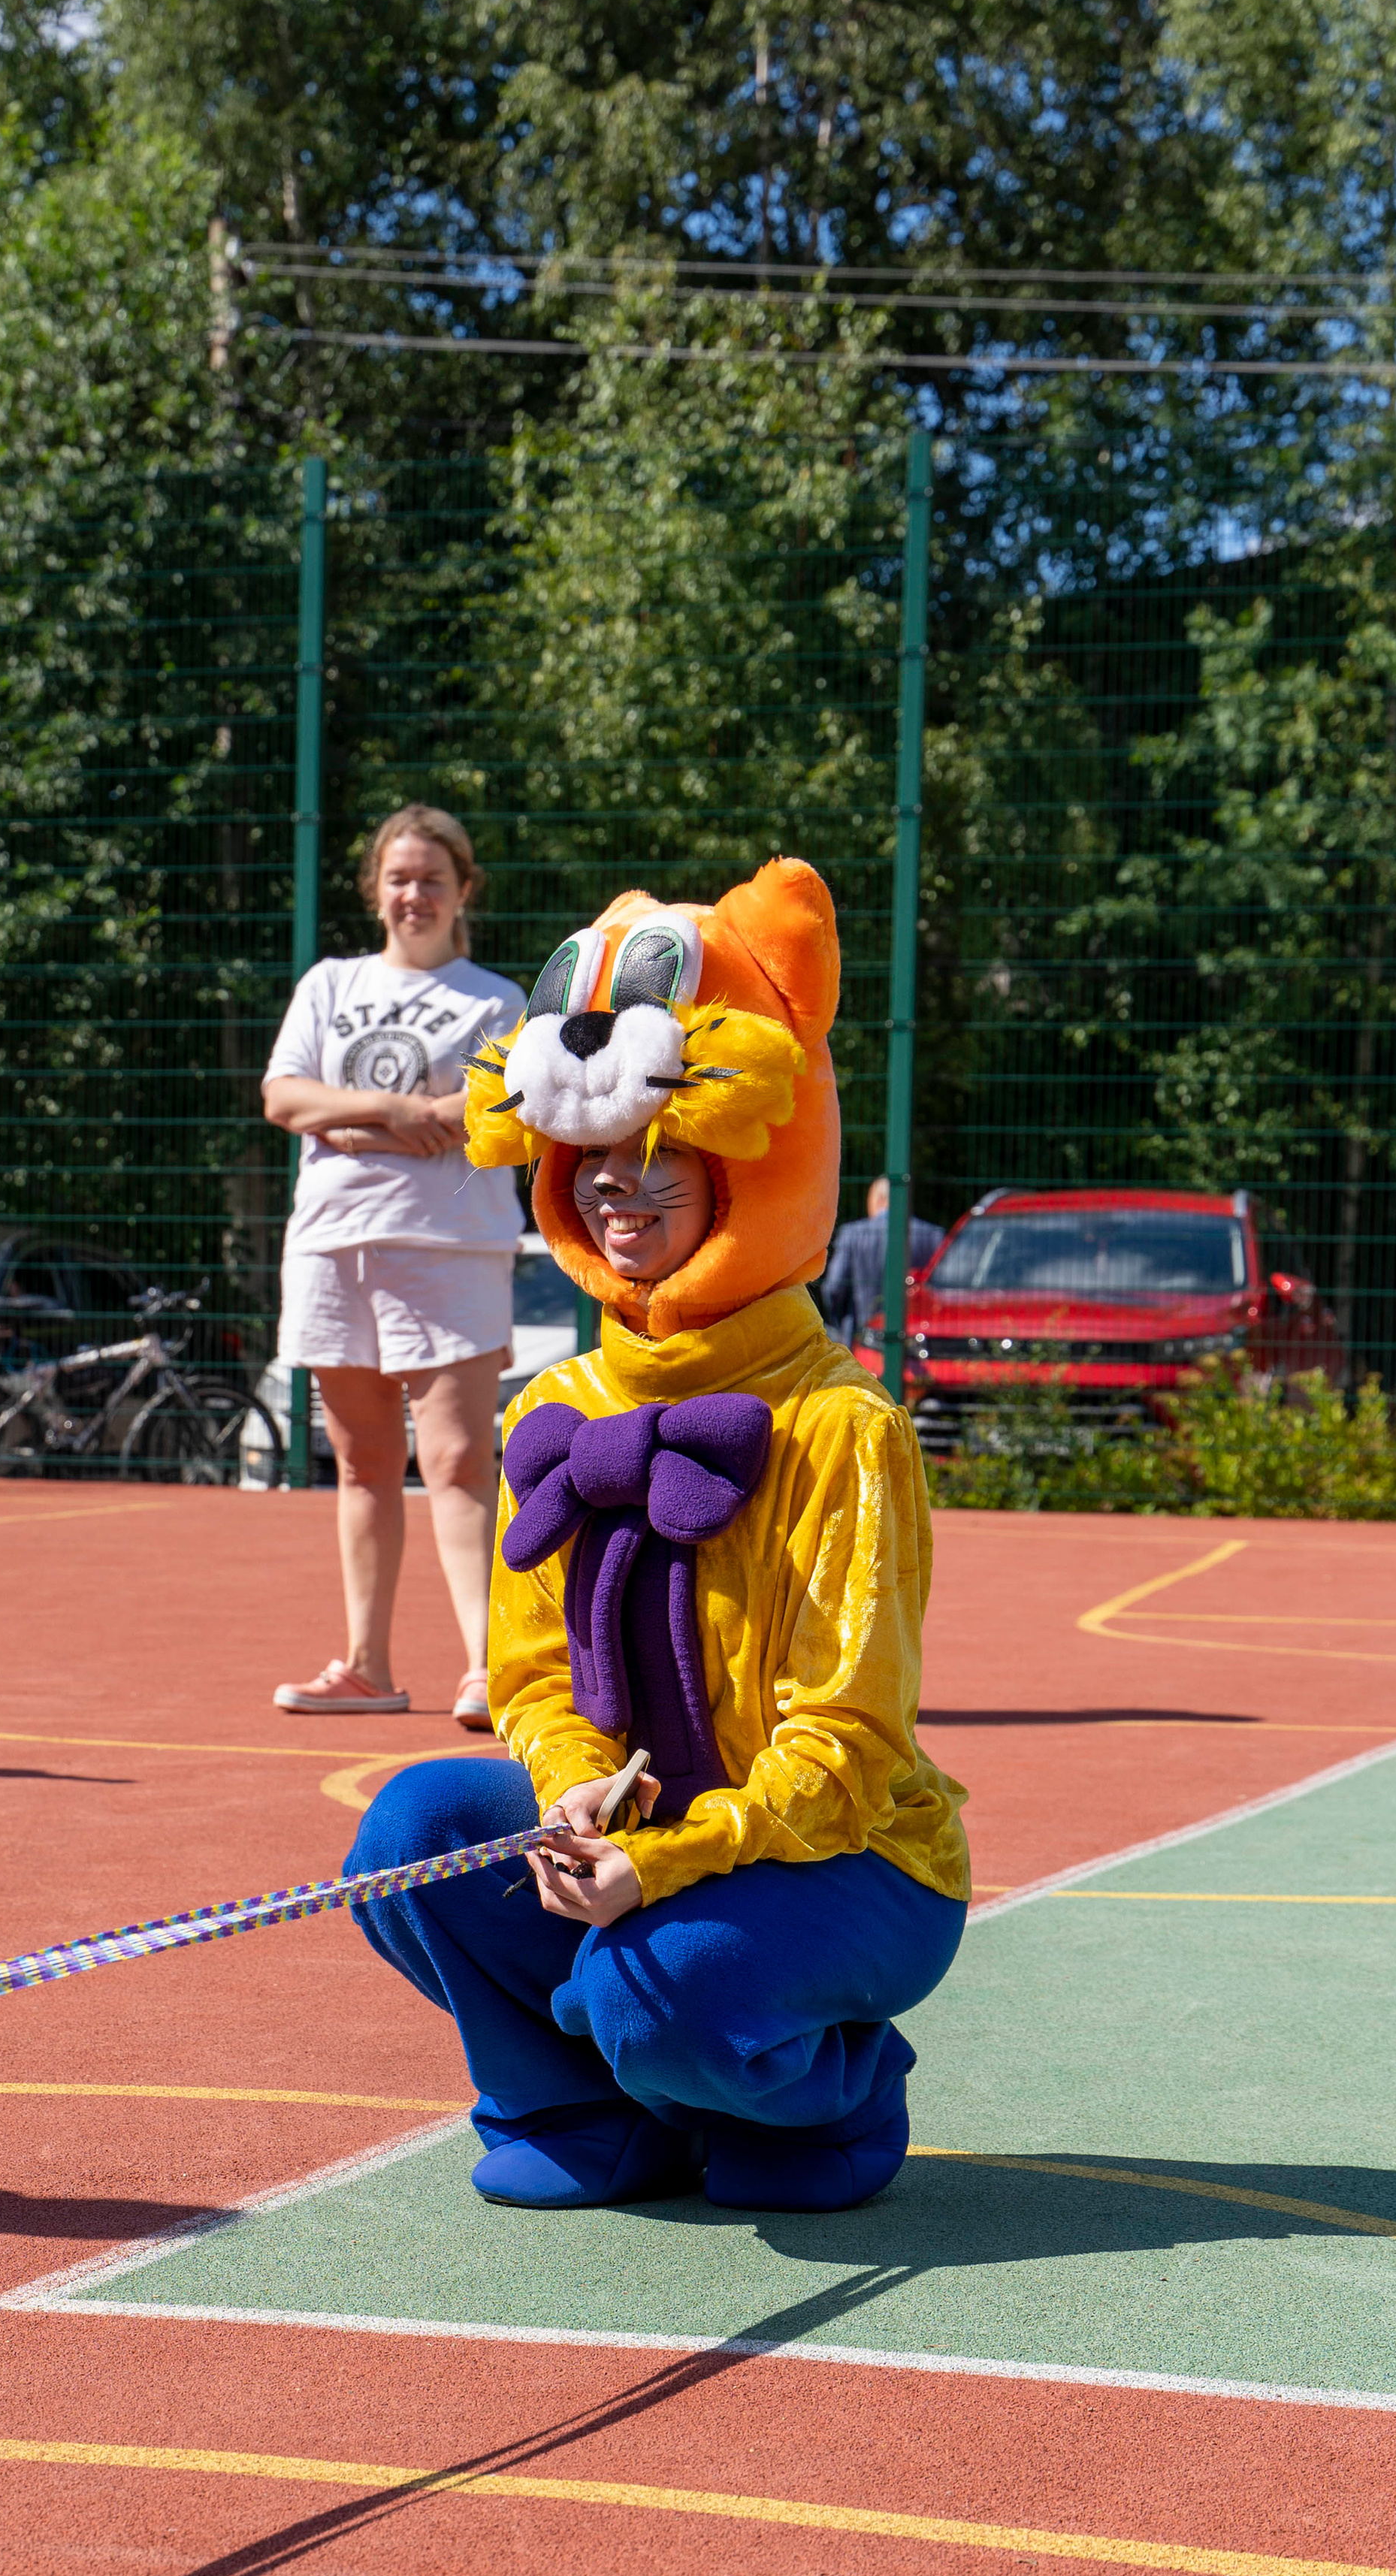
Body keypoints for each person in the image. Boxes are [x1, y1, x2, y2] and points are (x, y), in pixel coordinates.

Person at [340, 857, 970, 2214]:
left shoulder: (840, 1424)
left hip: (841, 1859)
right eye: (597, 1170)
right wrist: (571, 1786)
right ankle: (587, 2114)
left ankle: (836, 2095)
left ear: (749, 1176)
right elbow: (531, 1679)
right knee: (415, 1833)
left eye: (661, 1165)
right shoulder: (556, 1404)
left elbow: (847, 1745)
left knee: (655, 1987)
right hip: (644, 1837)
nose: (621, 1196)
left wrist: (669, 1862)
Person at [261, 804, 523, 1728]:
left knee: (456, 1458)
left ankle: (493, 1671)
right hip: (334, 1243)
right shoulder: (329, 984)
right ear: (376, 888)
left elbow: (494, 1107)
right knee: (362, 1465)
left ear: (463, 893)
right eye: (399, 878)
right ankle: (367, 1667)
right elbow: (283, 1096)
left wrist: (355, 1119)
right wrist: (395, 1108)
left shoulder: (494, 999)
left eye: (432, 880)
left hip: (450, 1245)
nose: (414, 894)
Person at [819, 1176, 946, 1345]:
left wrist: (841, 1323)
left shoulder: (853, 1234)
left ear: (879, 1199)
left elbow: (834, 1287)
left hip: (861, 1337)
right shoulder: (932, 1236)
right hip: (914, 1341)